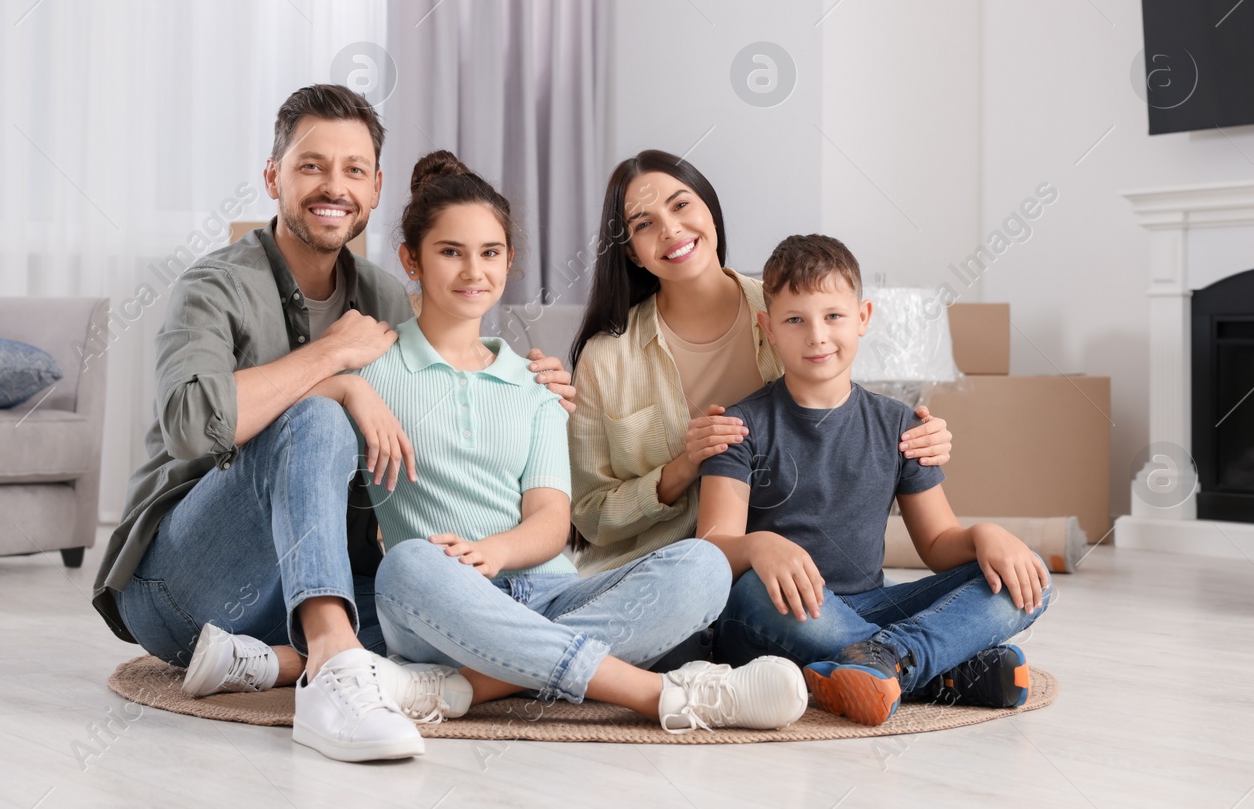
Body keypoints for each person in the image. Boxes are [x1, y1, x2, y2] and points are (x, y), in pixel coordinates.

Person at [89, 86, 577, 763]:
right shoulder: (213, 286)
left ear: (375, 188)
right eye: (311, 165)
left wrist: (533, 380)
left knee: (430, 591)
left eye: (353, 170)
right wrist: (336, 368)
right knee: (316, 418)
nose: (333, 186)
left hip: (288, 594)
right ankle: (334, 672)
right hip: (180, 585)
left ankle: (274, 661)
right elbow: (192, 424)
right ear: (273, 177)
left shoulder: (380, 292)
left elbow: (448, 370)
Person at [309, 151, 809, 733]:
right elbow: (293, 424)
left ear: (509, 261)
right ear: (410, 261)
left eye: (490, 253)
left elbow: (553, 521)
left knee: (702, 565)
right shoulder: (377, 363)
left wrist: (497, 551)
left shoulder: (535, 382)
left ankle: (463, 689)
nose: (474, 272)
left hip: (551, 594)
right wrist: (348, 386)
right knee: (406, 566)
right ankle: (661, 695)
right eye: (451, 253)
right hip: (446, 607)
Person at [696, 234, 1050, 726]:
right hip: (777, 610)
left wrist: (984, 535)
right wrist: (758, 546)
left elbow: (939, 543)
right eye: (795, 320)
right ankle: (935, 670)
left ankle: (888, 660)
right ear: (769, 329)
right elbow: (712, 545)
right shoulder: (741, 426)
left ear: (863, 318)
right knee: (756, 590)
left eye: (833, 316)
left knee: (1026, 575)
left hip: (872, 606)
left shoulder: (899, 424)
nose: (817, 335)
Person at [567, 150, 953, 582]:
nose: (670, 229)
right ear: (633, 253)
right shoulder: (605, 359)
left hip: (779, 575)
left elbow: (836, 413)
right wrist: (681, 468)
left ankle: (889, 645)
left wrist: (918, 440)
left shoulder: (789, 307)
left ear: (711, 212)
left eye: (680, 205)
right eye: (643, 224)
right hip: (656, 575)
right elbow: (589, 515)